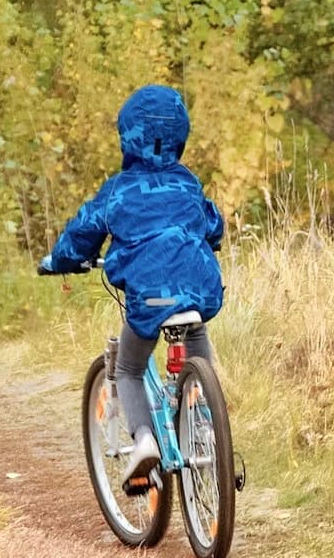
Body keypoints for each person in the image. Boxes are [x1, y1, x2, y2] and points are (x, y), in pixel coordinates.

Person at [40, 85, 225, 489]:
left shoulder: (119, 190)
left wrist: (58, 261)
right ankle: (206, 416)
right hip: (200, 285)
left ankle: (144, 441)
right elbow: (214, 225)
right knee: (196, 333)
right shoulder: (187, 183)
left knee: (128, 367)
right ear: (181, 133)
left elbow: (81, 233)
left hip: (149, 295)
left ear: (128, 135)